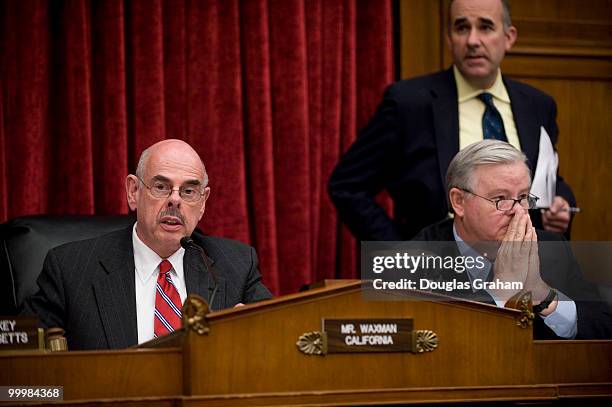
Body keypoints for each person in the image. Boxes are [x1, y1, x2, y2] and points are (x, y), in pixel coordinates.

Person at [328, 0, 574, 241]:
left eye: (485, 27)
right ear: (449, 38)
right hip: (439, 271)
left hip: (524, 266)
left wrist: (561, 203)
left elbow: (548, 177)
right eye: (462, 27)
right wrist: (400, 255)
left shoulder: (538, 106)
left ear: (509, 37)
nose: (472, 41)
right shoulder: (408, 104)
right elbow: (348, 185)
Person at [22, 139, 272, 350]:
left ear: (203, 201)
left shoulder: (236, 265)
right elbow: (23, 369)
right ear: (133, 191)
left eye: (188, 191)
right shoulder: (70, 269)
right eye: (161, 187)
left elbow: (277, 339)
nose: (175, 200)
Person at [412, 140, 611, 339]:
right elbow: (434, 343)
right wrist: (500, 292)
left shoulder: (552, 248)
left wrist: (543, 296)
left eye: (523, 196)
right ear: (459, 201)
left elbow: (601, 328)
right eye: (500, 199)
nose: (518, 211)